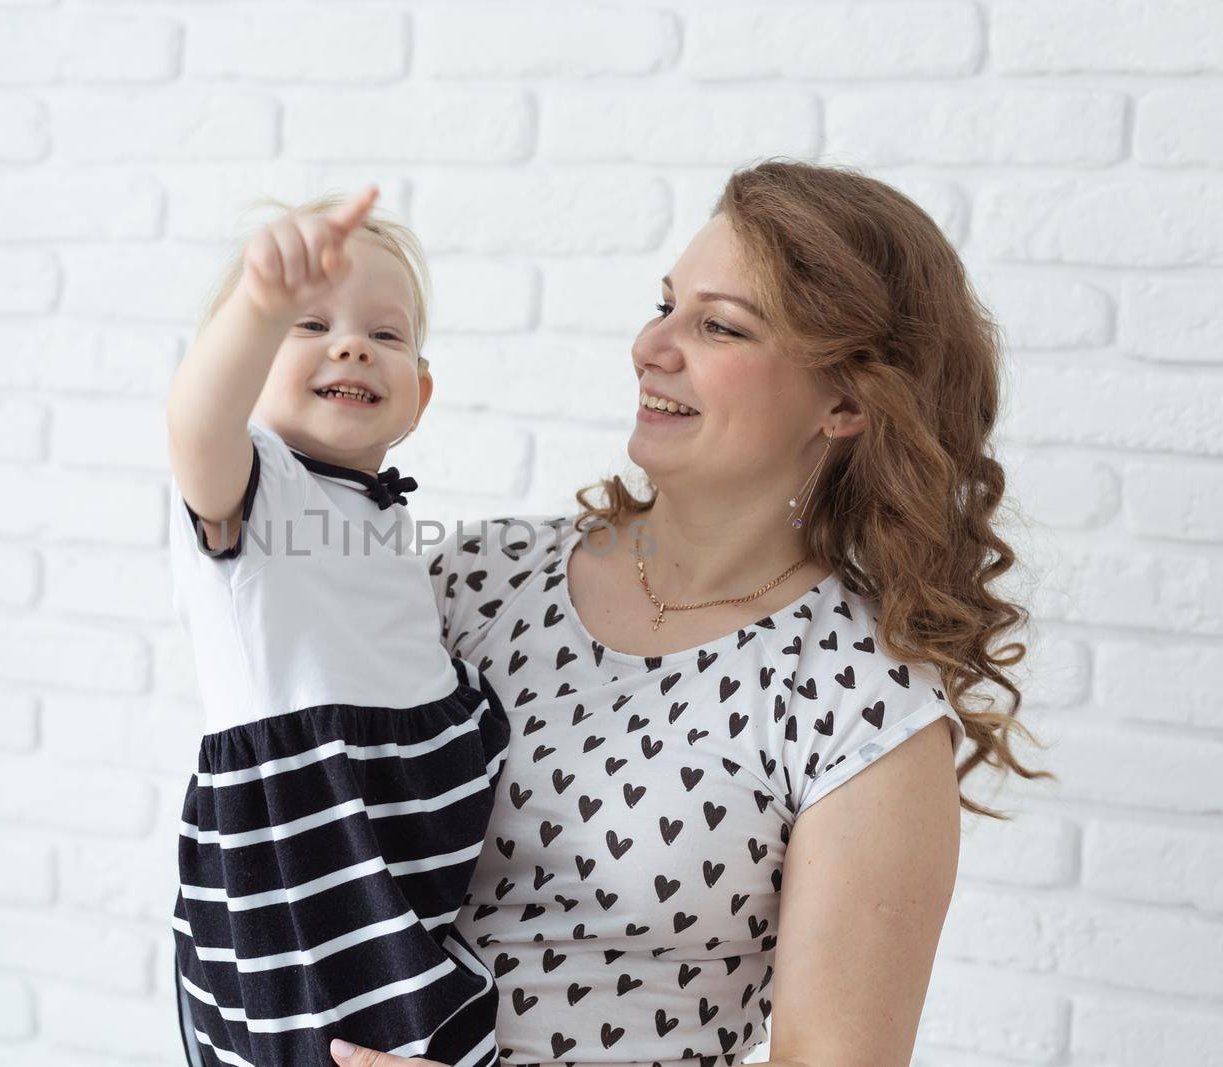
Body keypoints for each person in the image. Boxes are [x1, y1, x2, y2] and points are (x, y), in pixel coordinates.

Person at [326, 160, 1055, 1067]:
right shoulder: (479, 575)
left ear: (845, 402)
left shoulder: (864, 703)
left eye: (717, 325)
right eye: (664, 303)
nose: (651, 346)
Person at [165, 185, 511, 1067]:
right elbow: (198, 427)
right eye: (307, 325)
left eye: (385, 335)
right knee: (337, 1040)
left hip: (396, 825)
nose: (352, 343)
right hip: (311, 840)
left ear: (420, 395)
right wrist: (258, 304)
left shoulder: (378, 507)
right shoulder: (258, 482)